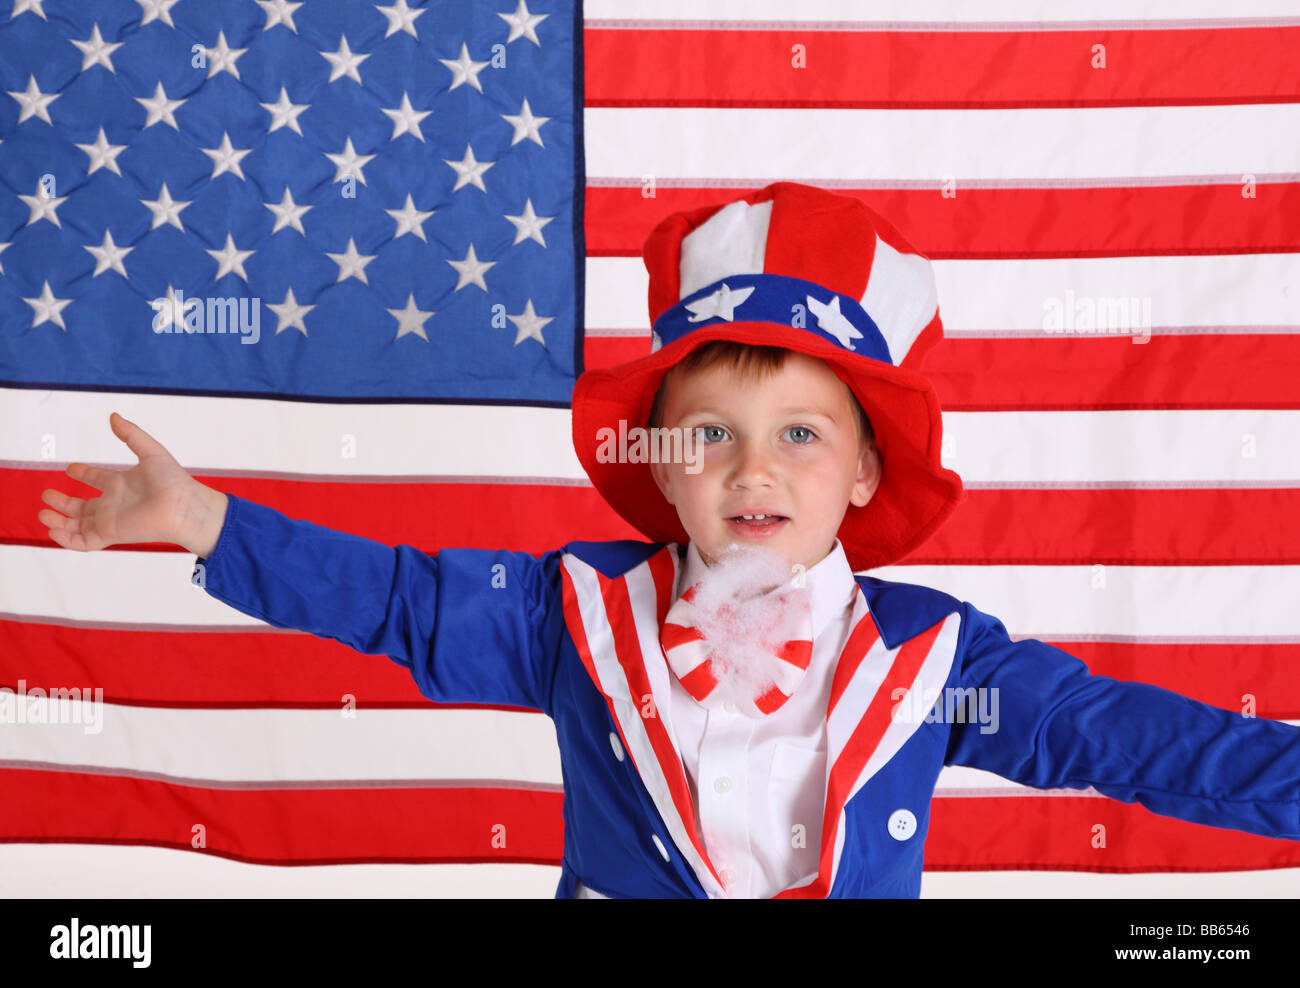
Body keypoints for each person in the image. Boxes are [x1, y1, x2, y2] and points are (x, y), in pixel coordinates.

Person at [37, 182, 1300, 898]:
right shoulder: (571, 616)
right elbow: (396, 601)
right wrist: (206, 519)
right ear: (656, 459)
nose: (753, 470)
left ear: (866, 470)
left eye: (801, 435)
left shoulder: (932, 659)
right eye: (712, 436)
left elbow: (1132, 739)